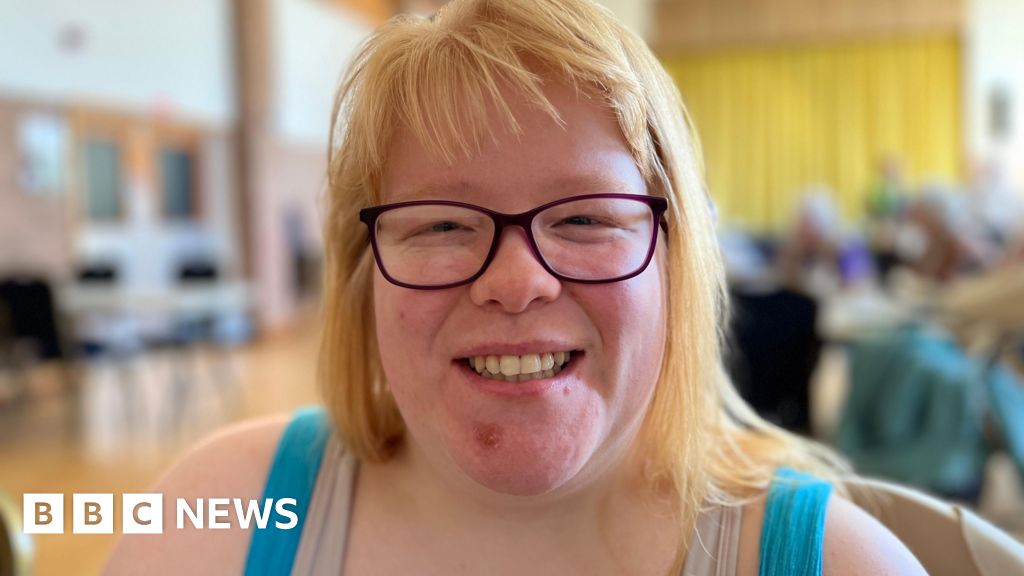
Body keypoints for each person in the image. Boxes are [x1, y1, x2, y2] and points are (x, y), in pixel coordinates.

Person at [105, 1, 926, 574]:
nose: (517, 282)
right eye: (441, 225)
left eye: (586, 218)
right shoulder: (215, 515)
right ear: (361, 274)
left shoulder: (840, 563)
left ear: (677, 263)